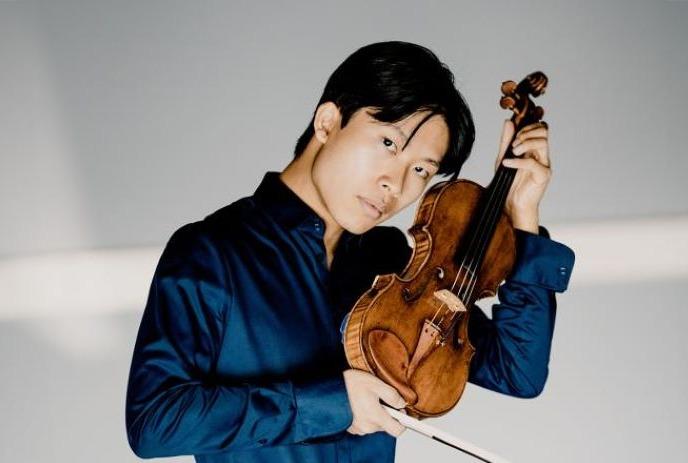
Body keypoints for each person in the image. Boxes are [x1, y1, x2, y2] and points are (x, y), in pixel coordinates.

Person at [125, 41, 575, 462]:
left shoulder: (395, 265)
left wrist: (521, 213)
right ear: (327, 122)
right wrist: (331, 404)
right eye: (388, 144)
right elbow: (153, 421)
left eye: (420, 169)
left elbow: (518, 370)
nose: (395, 185)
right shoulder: (211, 252)